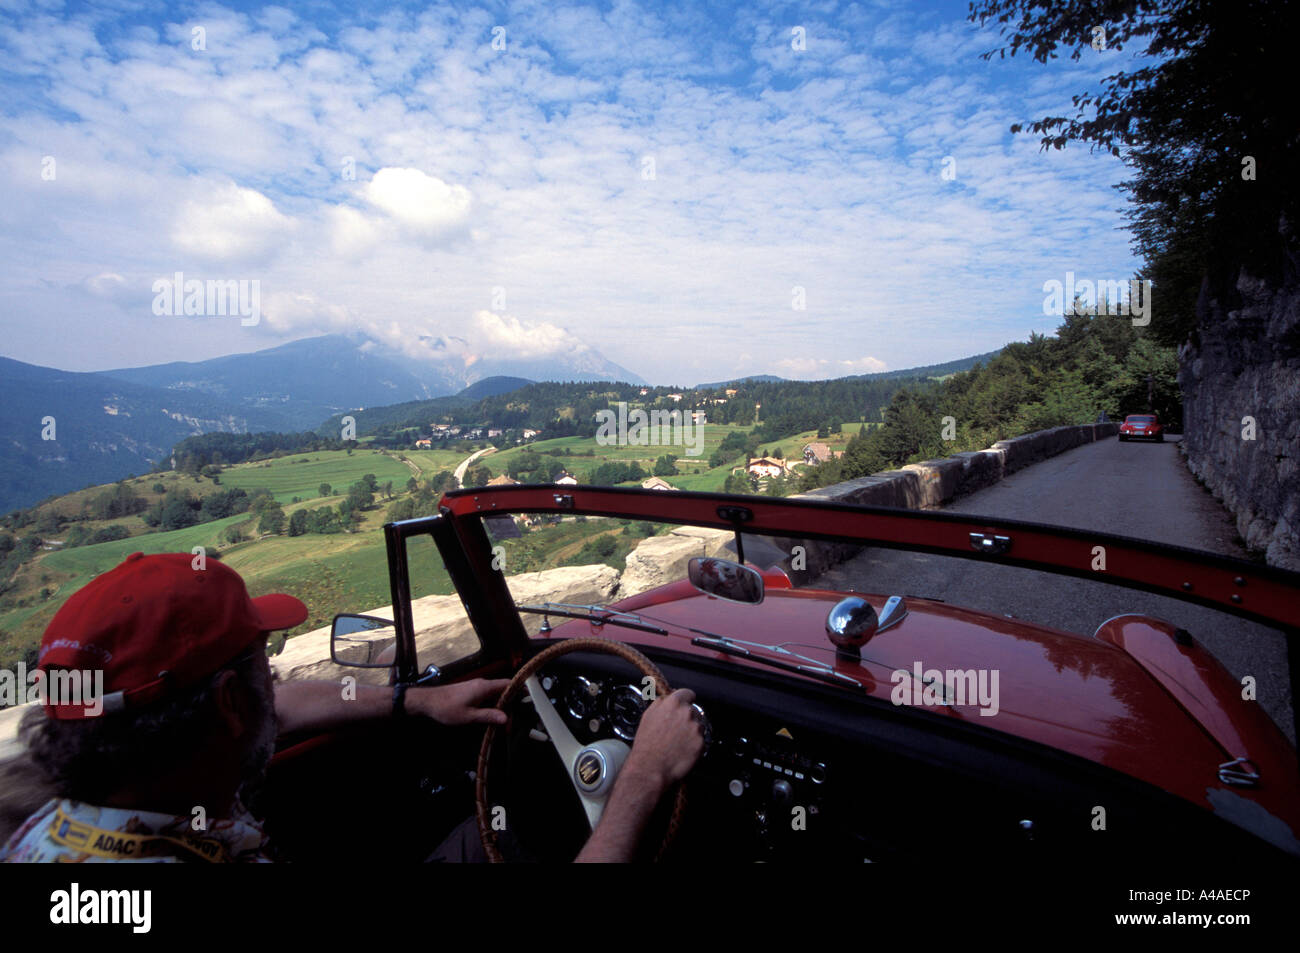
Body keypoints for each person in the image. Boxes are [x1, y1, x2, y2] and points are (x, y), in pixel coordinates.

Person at [0, 552, 704, 863]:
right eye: (260, 665)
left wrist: (415, 700)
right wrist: (641, 779)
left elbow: (280, 708)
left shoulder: (59, 814)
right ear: (227, 704)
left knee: (476, 836)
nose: (273, 679)